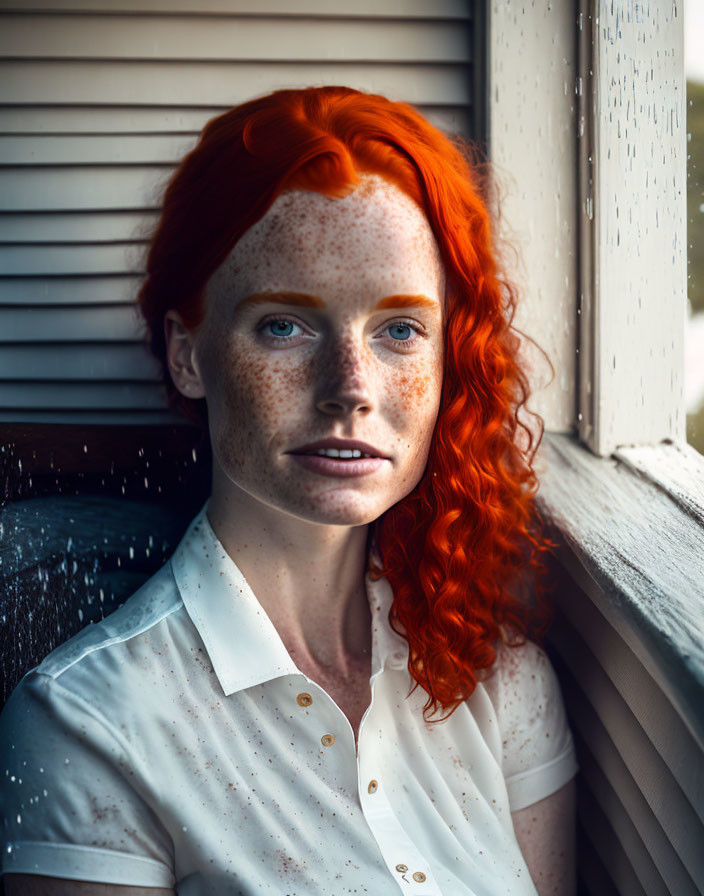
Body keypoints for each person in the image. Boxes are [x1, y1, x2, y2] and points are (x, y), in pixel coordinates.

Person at [0, 86, 578, 895]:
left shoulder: (498, 679)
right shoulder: (90, 726)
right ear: (187, 352)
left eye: (400, 330)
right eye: (284, 325)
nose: (351, 387)